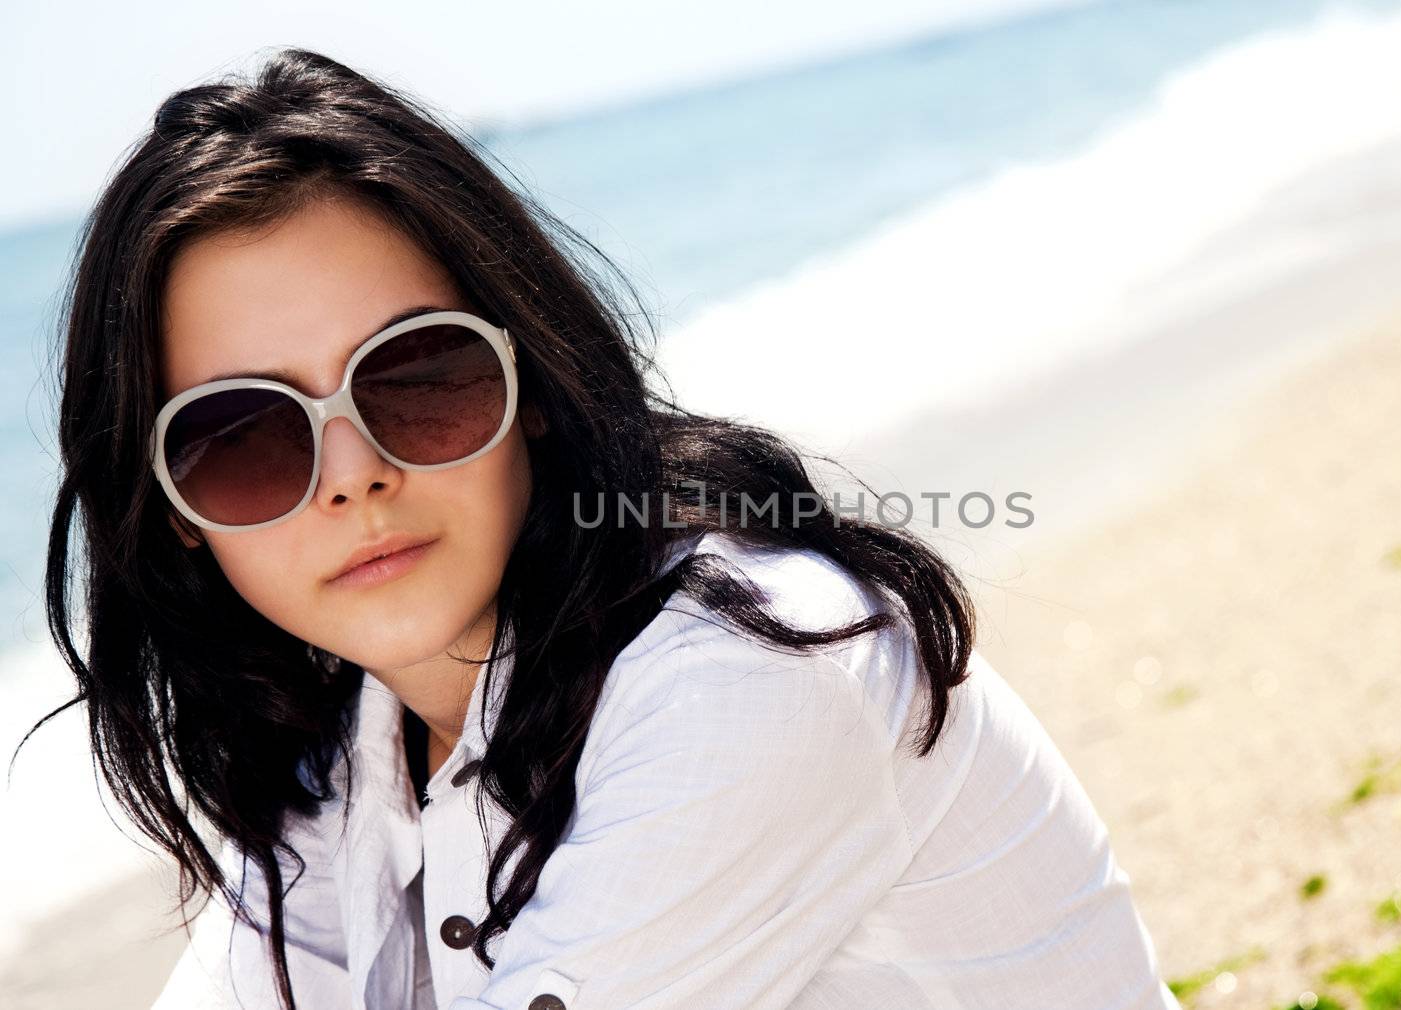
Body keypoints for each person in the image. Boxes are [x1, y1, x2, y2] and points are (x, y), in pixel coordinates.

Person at [28, 46, 1181, 1010]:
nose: (354, 476)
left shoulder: (751, 669)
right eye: (244, 435)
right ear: (171, 509)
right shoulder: (358, 759)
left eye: (417, 375)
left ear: (529, 382)